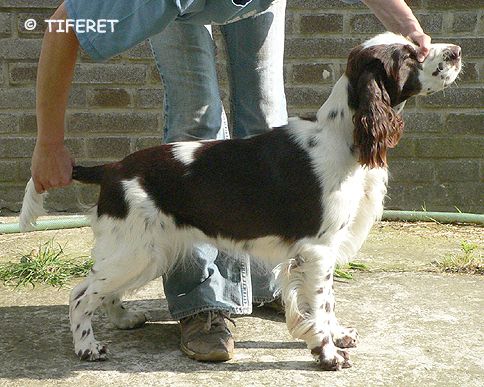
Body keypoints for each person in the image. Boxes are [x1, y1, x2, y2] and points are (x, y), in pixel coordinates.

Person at [30, 0, 431, 362]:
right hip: (176, 20)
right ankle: (199, 302)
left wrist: (410, 28)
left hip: (258, 9)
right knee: (195, 116)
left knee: (265, 113)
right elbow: (63, 25)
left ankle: (273, 287)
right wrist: (49, 143)